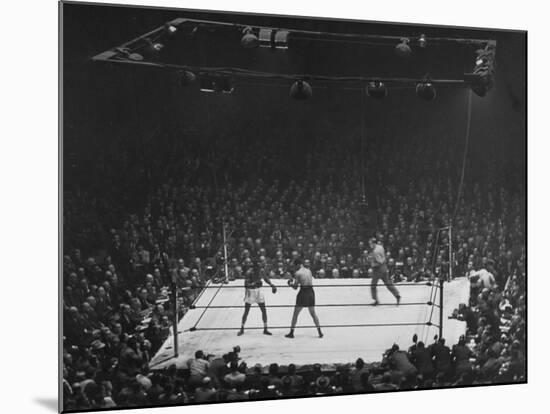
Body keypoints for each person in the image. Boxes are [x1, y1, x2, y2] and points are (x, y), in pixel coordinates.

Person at [285, 258, 323, 338]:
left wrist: (290, 284)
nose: (295, 267)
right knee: (313, 313)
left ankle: (291, 332)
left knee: (295, 313)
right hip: (311, 292)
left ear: (298, 265)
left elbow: (295, 287)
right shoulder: (309, 271)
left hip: (303, 292)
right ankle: (319, 331)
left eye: (295, 266)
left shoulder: (298, 273)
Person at [238, 263, 277, 336]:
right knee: (246, 311)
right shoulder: (249, 272)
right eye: (257, 268)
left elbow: (265, 278)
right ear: (254, 267)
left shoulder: (261, 270)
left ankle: (265, 329)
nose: (259, 270)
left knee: (264, 310)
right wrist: (254, 283)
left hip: (259, 291)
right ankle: (242, 328)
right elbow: (246, 285)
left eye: (259, 268)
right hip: (251, 291)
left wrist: (271, 285)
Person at [367, 238, 400, 305]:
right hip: (384, 267)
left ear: (373, 243)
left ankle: (376, 300)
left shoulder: (375, 251)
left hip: (378, 269)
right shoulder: (380, 247)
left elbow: (380, 261)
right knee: (388, 283)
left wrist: (372, 261)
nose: (370, 245)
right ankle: (397, 295)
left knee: (373, 285)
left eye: (370, 244)